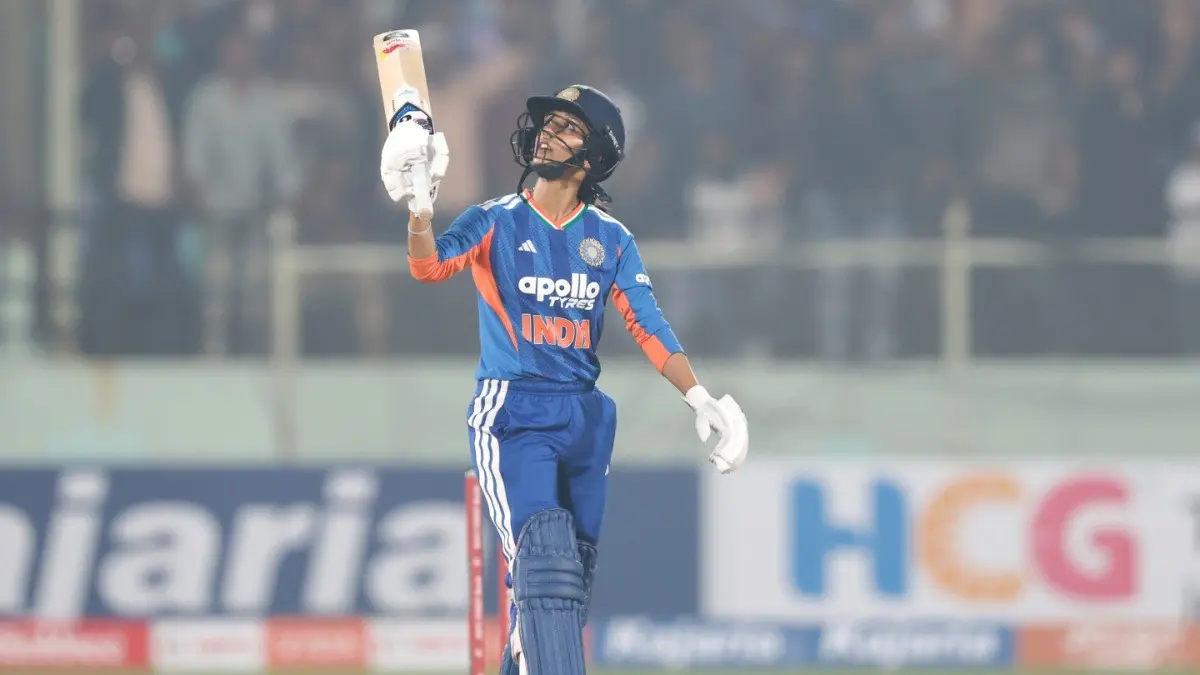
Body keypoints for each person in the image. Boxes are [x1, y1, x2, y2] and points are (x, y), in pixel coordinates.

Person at [379, 84, 749, 675]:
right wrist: (420, 209)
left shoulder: (611, 239)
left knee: (564, 585)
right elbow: (428, 265)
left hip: (585, 419)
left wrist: (699, 396)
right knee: (544, 557)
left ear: (594, 154)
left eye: (568, 127)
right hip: (513, 415)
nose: (549, 132)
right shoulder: (494, 220)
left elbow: (647, 325)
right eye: (548, 121)